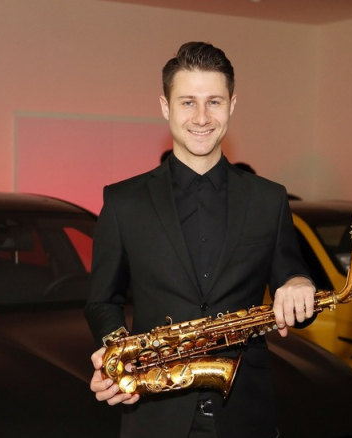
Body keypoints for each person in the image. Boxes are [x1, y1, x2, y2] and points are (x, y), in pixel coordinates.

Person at [85, 41, 316, 438]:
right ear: (165, 107)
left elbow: (291, 278)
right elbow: (102, 300)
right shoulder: (123, 201)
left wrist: (299, 283)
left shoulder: (269, 198)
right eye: (188, 102)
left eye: (214, 102)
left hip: (245, 415)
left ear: (232, 105)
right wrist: (121, 352)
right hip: (155, 413)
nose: (202, 117)